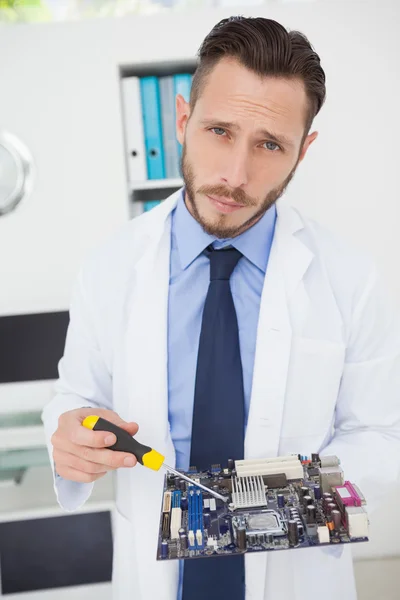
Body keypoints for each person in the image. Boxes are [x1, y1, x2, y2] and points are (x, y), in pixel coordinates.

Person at [42, 15, 400, 600]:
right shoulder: (108, 267)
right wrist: (70, 434)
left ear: (303, 151)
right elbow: (77, 395)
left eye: (269, 144)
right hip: (153, 580)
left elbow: (383, 438)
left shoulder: (350, 278)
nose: (235, 175)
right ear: (183, 120)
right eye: (218, 131)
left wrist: (227, 516)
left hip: (296, 579)